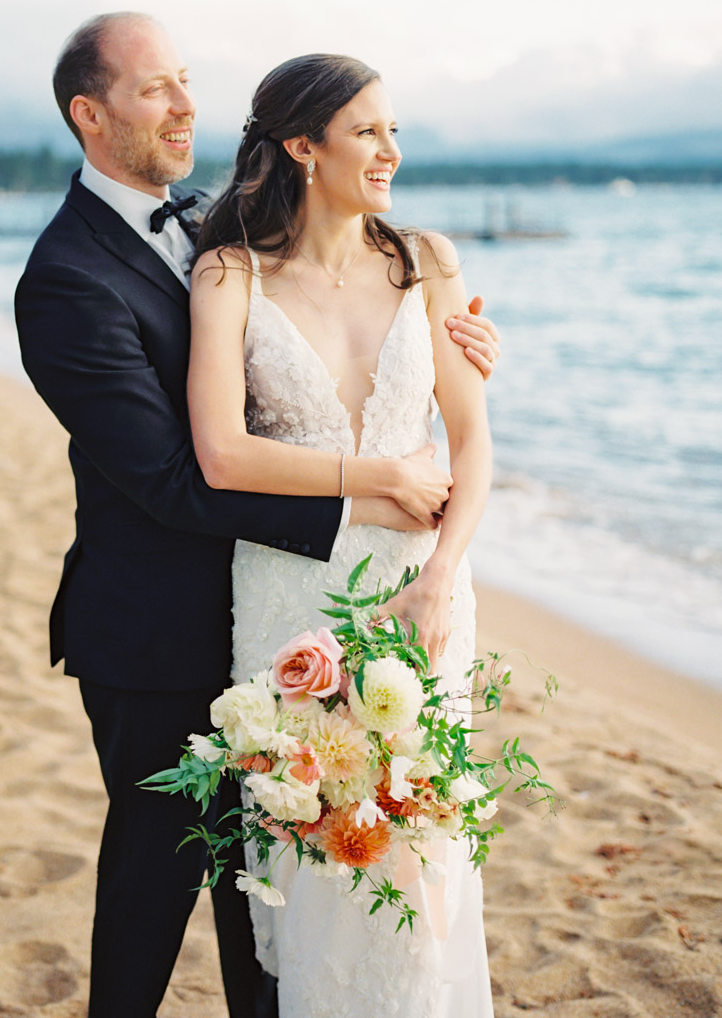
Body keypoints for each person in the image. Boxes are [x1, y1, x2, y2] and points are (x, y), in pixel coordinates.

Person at [15, 13, 501, 1018]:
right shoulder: (65, 279)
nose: (187, 104)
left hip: (289, 609)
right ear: (89, 114)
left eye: (187, 81)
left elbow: (332, 254)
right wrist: (371, 484)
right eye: (157, 89)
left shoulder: (210, 226)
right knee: (156, 879)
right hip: (155, 630)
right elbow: (172, 479)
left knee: (281, 897)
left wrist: (457, 341)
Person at [187, 53, 493, 1015]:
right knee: (316, 849)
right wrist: (384, 478)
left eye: (393, 130)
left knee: (421, 855)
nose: (391, 152)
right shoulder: (233, 272)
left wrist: (443, 575)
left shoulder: (428, 262)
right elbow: (222, 456)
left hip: (423, 597)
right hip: (291, 597)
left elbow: (476, 436)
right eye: (368, 132)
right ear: (301, 146)